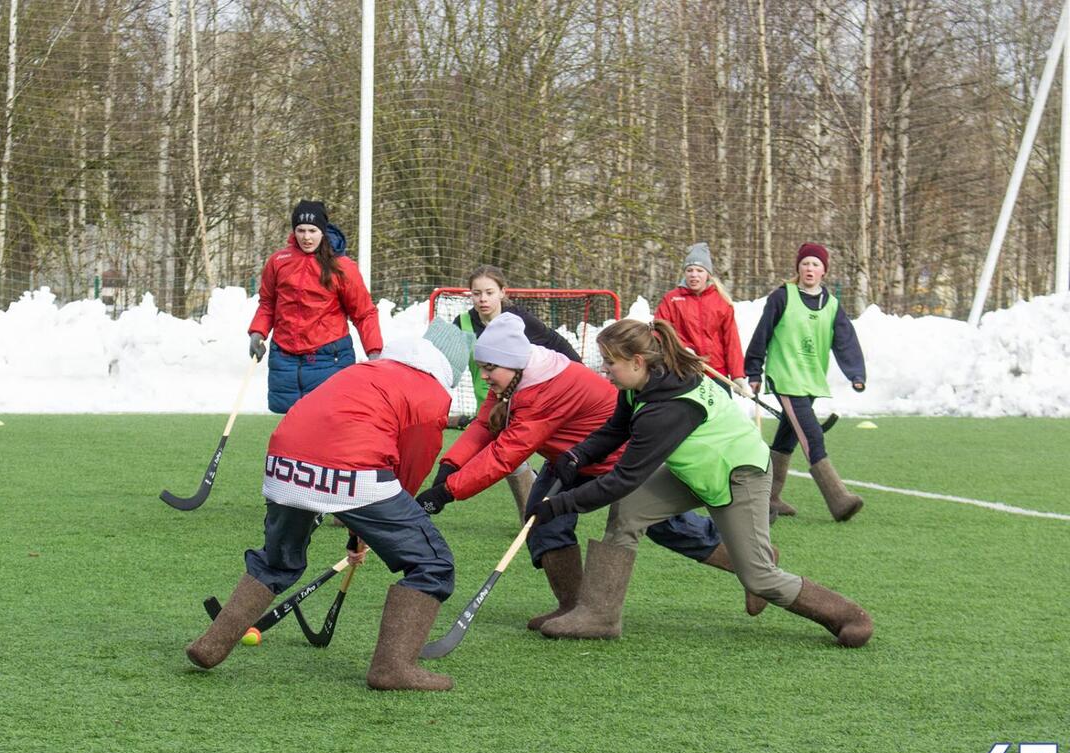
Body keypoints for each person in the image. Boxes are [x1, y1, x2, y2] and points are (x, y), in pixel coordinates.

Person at [414, 312, 766, 632]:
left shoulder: (544, 389)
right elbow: (484, 425)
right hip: (569, 457)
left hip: (612, 458)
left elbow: (507, 454)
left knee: (665, 528)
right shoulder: (512, 377)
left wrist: (448, 493)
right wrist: (450, 467)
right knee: (543, 521)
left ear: (512, 363)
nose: (485, 376)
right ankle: (572, 607)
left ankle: (747, 565)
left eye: (490, 368)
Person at [532, 318, 873, 648]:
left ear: (637, 361)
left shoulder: (666, 410)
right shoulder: (643, 383)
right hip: (699, 468)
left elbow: (622, 479)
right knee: (629, 511)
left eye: (610, 363)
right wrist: (576, 456)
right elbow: (615, 430)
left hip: (739, 475)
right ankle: (600, 616)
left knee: (760, 578)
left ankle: (848, 616)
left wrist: (560, 504)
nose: (604, 370)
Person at [188, 318, 475, 691]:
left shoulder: (369, 369)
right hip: (352, 470)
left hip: (283, 462)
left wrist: (361, 530)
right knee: (433, 565)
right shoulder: (431, 394)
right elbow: (408, 471)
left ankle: (211, 645)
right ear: (449, 369)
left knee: (277, 561)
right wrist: (373, 530)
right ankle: (393, 668)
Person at [743, 242, 866, 522]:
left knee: (787, 437)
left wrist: (856, 374)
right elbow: (762, 334)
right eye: (805, 263)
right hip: (786, 377)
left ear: (824, 270)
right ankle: (838, 498)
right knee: (812, 435)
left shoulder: (832, 305)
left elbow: (845, 341)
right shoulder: (782, 297)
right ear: (798, 267)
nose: (809, 268)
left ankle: (769, 498)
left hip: (811, 379)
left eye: (815, 264)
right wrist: (753, 370)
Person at [451, 265, 583, 520]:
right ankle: (533, 512)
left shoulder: (520, 321)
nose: (483, 299)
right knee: (512, 462)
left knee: (514, 458)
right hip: (490, 404)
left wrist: (580, 376)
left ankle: (535, 515)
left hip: (527, 402)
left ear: (502, 292)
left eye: (489, 292)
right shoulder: (463, 323)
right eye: (476, 293)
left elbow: (557, 344)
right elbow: (450, 359)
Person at [247, 200, 383, 413]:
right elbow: (268, 303)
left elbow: (364, 313)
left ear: (323, 231)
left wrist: (374, 352)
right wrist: (257, 332)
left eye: (313, 230)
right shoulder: (278, 262)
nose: (306, 237)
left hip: (329, 358)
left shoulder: (343, 267)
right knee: (291, 421)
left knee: (328, 420)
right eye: (301, 230)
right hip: (284, 358)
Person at [654, 242, 747, 394]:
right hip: (684, 371)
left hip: (717, 373)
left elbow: (732, 341)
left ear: (708, 274)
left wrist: (737, 376)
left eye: (699, 270)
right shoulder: (671, 299)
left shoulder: (721, 301)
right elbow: (658, 331)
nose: (694, 275)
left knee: (722, 417)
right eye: (689, 270)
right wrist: (682, 349)